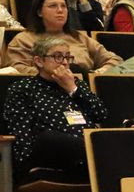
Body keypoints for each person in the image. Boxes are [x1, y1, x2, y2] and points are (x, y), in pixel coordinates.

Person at [3, 36, 107, 181]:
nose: (64, 62)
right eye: (58, 57)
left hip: (81, 155)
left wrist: (72, 89)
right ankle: (101, 153)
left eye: (67, 57)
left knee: (106, 138)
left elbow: (101, 115)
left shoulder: (76, 85)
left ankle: (98, 154)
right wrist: (26, 166)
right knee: (50, 137)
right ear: (39, 61)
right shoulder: (23, 88)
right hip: (48, 152)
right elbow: (21, 131)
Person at [3, 0, 121, 75]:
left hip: (84, 88)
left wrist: (97, 73)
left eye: (63, 6)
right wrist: (54, 74)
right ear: (39, 12)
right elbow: (17, 69)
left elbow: (114, 60)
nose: (60, 10)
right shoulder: (23, 39)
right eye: (53, 6)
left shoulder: (79, 37)